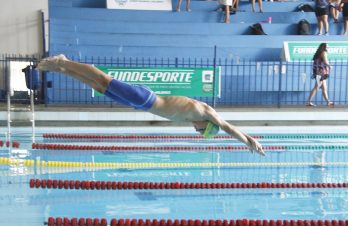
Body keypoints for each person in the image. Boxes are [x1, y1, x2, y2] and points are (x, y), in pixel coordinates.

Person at [37, 54, 265, 156]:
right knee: (103, 79)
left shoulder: (191, 119)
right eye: (200, 130)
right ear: (205, 125)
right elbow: (227, 126)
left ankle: (63, 69)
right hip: (146, 98)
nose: (195, 130)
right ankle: (64, 61)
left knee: (100, 88)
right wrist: (249, 141)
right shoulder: (204, 112)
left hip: (141, 105)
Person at [306, 43, 334, 107]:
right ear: (324, 47)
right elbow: (326, 61)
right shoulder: (324, 52)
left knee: (324, 88)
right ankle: (308, 101)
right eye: (327, 46)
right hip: (320, 73)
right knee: (317, 87)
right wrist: (330, 66)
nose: (328, 48)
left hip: (319, 72)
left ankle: (328, 102)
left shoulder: (319, 53)